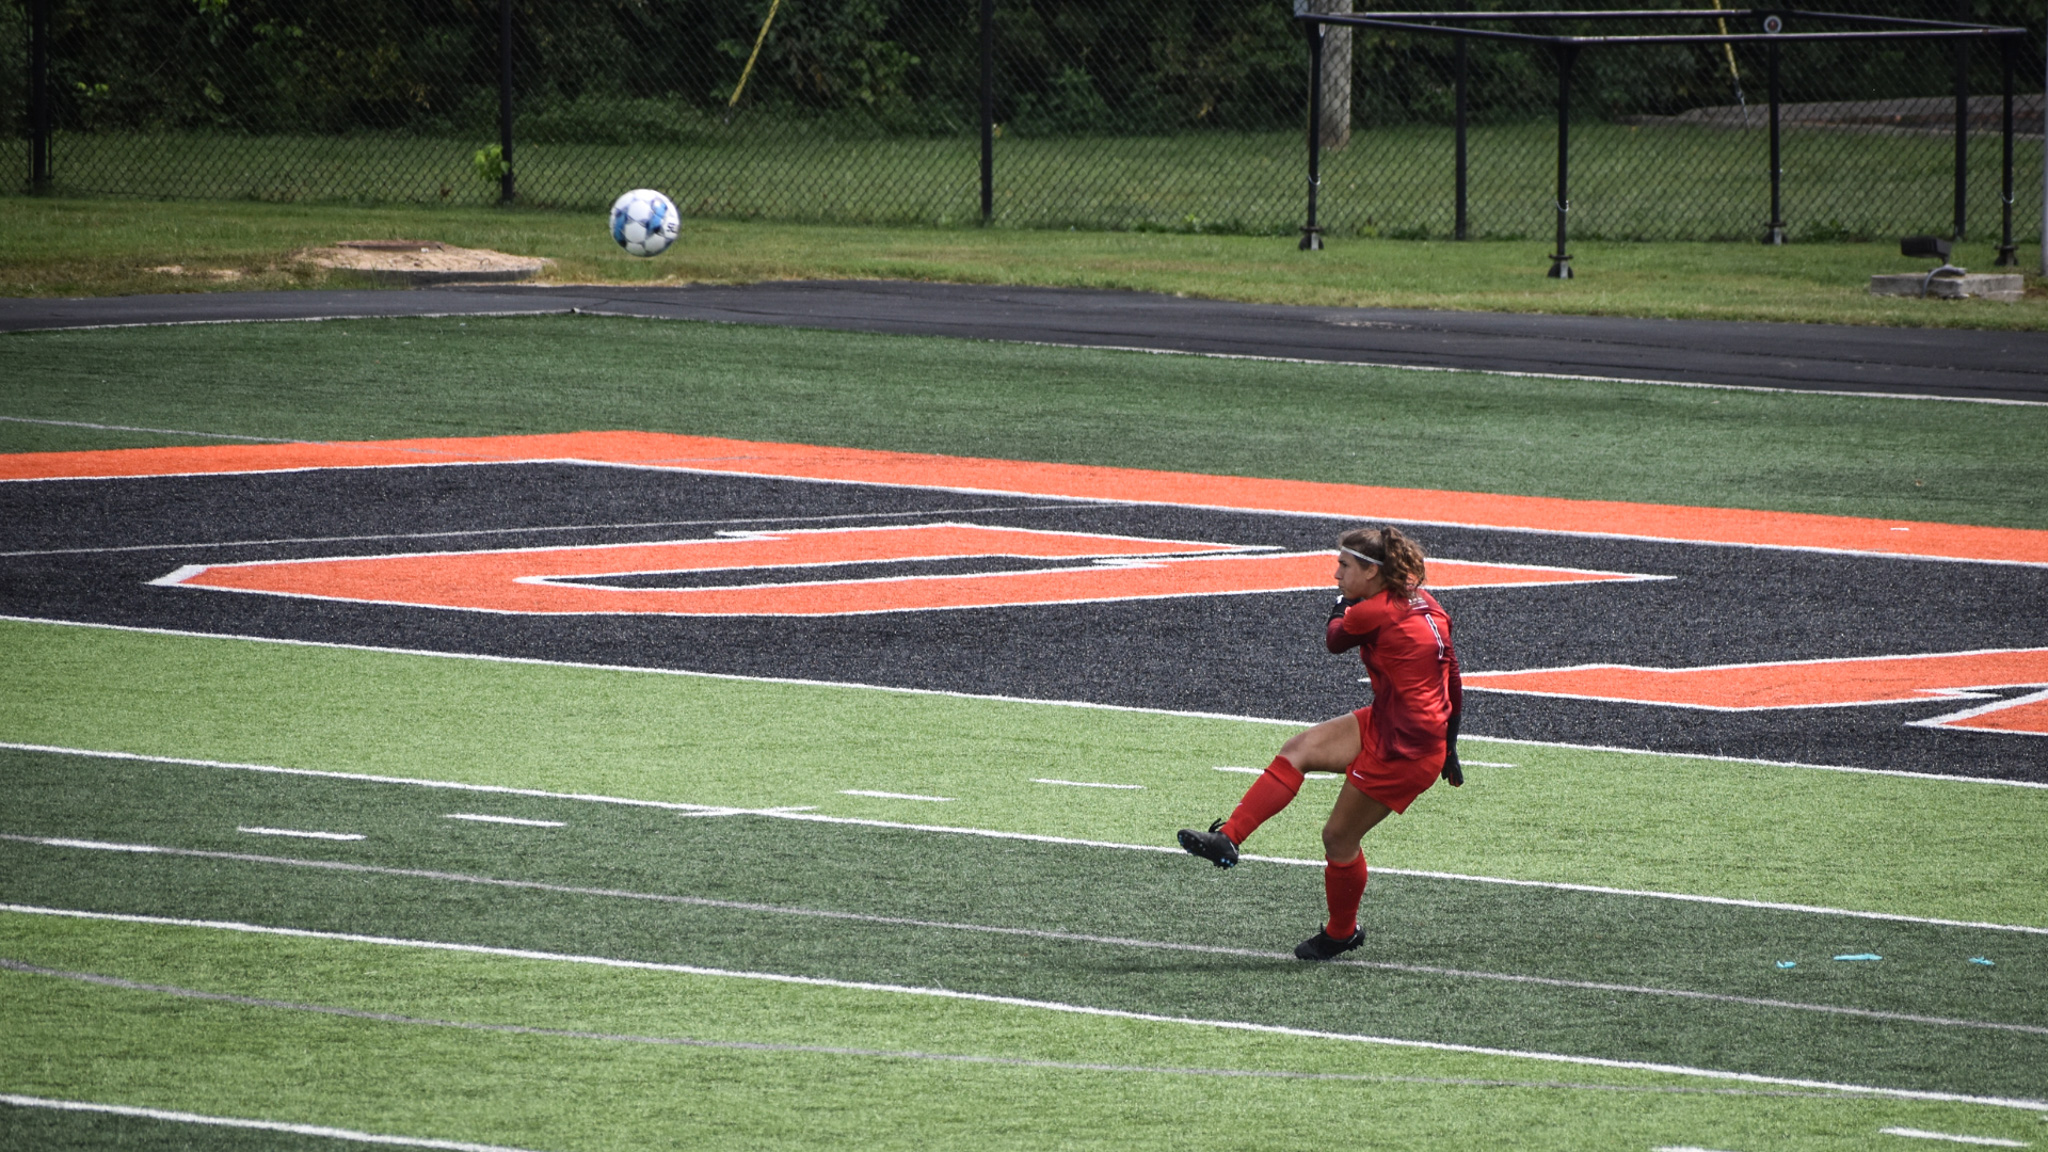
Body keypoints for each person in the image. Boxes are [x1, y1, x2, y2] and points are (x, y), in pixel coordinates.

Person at [1177, 525, 1463, 961]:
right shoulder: (1425, 601)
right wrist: (1452, 744)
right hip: (1402, 725)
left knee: (1337, 838)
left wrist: (1344, 605)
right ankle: (1229, 839)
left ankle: (1341, 932)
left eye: (1344, 566)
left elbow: (1334, 639)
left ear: (1371, 572)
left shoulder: (1374, 609)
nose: (1336, 574)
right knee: (1299, 750)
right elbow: (1453, 678)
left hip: (1404, 748)